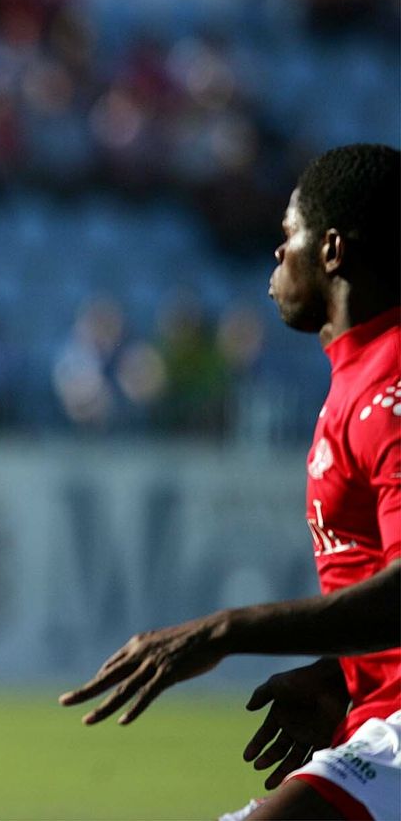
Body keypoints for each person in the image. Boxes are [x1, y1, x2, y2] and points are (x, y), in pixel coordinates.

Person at [60, 143, 401, 821]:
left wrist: (222, 631)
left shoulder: (389, 392)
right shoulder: (360, 378)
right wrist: (342, 675)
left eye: (288, 235)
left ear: (331, 250)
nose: (277, 255)